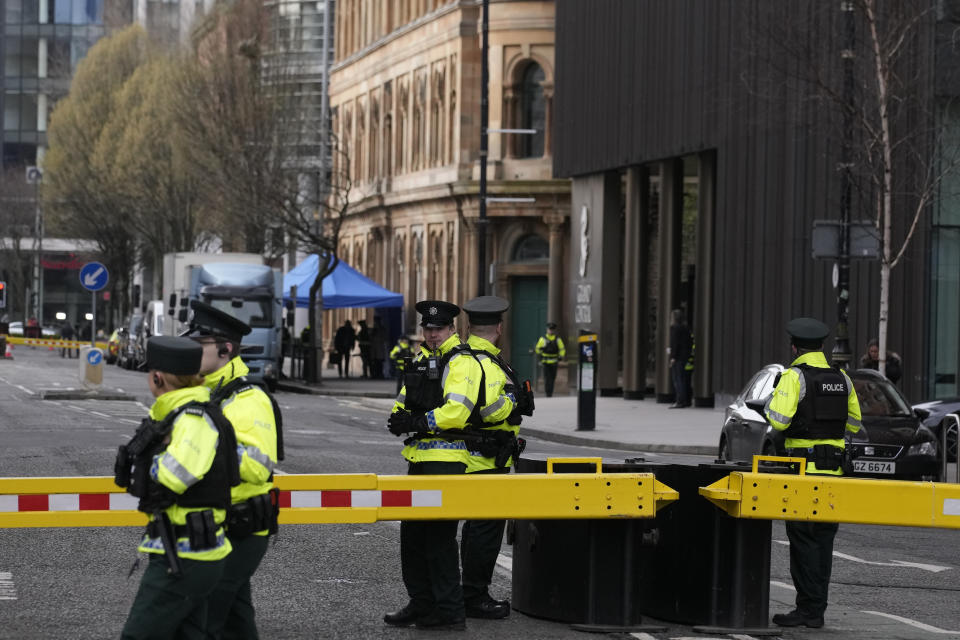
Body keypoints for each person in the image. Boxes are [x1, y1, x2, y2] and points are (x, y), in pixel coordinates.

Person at [116, 336, 238, 639]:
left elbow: (176, 475)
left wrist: (156, 455)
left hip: (186, 557)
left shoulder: (192, 418)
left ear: (157, 377)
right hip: (187, 552)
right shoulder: (177, 414)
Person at [182, 300, 281, 640]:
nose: (194, 351)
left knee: (205, 619)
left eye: (201, 345)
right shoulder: (209, 394)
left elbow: (257, 467)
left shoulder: (248, 400)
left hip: (242, 526)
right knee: (236, 621)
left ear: (225, 349)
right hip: (219, 524)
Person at [383, 299, 483, 631]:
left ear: (452, 329)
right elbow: (404, 400)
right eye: (427, 328)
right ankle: (421, 603)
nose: (432, 334)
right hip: (420, 459)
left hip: (447, 461)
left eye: (438, 329)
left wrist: (421, 421)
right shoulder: (424, 359)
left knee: (439, 540)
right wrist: (399, 417)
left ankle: (450, 611)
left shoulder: (462, 362)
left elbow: (456, 412)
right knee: (413, 538)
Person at [764, 317, 862, 629]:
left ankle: (806, 609)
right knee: (823, 541)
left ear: (794, 347)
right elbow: (855, 424)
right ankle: (816, 609)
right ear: (822, 346)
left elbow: (778, 420)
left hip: (803, 473)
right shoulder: (842, 378)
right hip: (833, 473)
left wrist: (770, 404)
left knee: (802, 540)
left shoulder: (794, 376)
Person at [459, 296, 534, 620]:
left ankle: (469, 593)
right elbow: (487, 410)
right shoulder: (486, 364)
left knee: (477, 530)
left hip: (481, 457)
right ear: (499, 328)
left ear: (468, 327)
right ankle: (474, 597)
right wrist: (513, 400)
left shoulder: (471, 357)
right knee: (484, 532)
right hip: (484, 460)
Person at [668, 309, 693, 408]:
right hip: (685, 357)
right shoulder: (686, 328)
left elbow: (674, 344)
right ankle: (687, 400)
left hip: (678, 357)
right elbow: (689, 342)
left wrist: (672, 357)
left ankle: (680, 401)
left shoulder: (675, 328)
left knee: (677, 379)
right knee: (684, 378)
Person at [534, 322, 565, 397]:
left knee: (552, 378)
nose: (551, 331)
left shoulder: (558, 339)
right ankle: (548, 393)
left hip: (554, 362)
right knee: (547, 378)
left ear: (554, 330)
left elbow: (562, 349)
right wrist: (541, 351)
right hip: (545, 362)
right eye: (549, 329)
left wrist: (561, 356)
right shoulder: (542, 339)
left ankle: (550, 392)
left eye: (552, 330)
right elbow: (537, 349)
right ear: (547, 330)